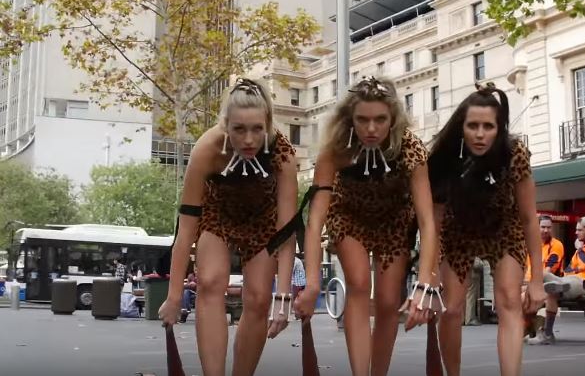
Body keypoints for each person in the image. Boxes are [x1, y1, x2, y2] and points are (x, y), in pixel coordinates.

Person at [294, 76, 439, 376]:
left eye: (380, 120)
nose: (371, 129)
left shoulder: (411, 148)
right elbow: (315, 220)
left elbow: (426, 220)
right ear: (350, 118)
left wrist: (425, 281)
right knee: (359, 283)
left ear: (393, 118)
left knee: (387, 301)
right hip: (349, 215)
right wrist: (312, 282)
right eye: (362, 120)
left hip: (394, 221)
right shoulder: (335, 149)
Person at [158, 78, 298, 376]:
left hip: (264, 219)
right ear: (225, 125)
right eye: (239, 129)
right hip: (218, 213)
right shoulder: (207, 149)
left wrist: (284, 297)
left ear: (268, 124)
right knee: (210, 281)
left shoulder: (282, 153)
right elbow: (186, 229)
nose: (248, 140)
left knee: (259, 297)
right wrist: (173, 296)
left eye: (257, 129)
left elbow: (287, 230)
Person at [427, 84, 545, 376]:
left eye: (488, 126)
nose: (480, 134)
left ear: (499, 128)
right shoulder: (445, 158)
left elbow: (529, 218)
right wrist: (430, 271)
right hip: (458, 229)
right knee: (451, 308)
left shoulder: (514, 154)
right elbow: (434, 220)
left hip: (503, 227)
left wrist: (536, 280)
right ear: (462, 127)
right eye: (473, 126)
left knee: (509, 301)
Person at [531, 216, 585, 345]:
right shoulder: (582, 249)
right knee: (543, 275)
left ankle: (547, 334)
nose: (576, 233)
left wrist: (579, 251)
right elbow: (569, 269)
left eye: (579, 230)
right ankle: (555, 287)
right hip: (568, 280)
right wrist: (577, 267)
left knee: (553, 289)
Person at [523, 215, 565, 336]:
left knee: (522, 298)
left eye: (549, 227)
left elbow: (548, 271)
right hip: (529, 282)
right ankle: (530, 327)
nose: (546, 230)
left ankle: (537, 328)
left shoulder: (556, 245)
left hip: (548, 284)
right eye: (543, 227)